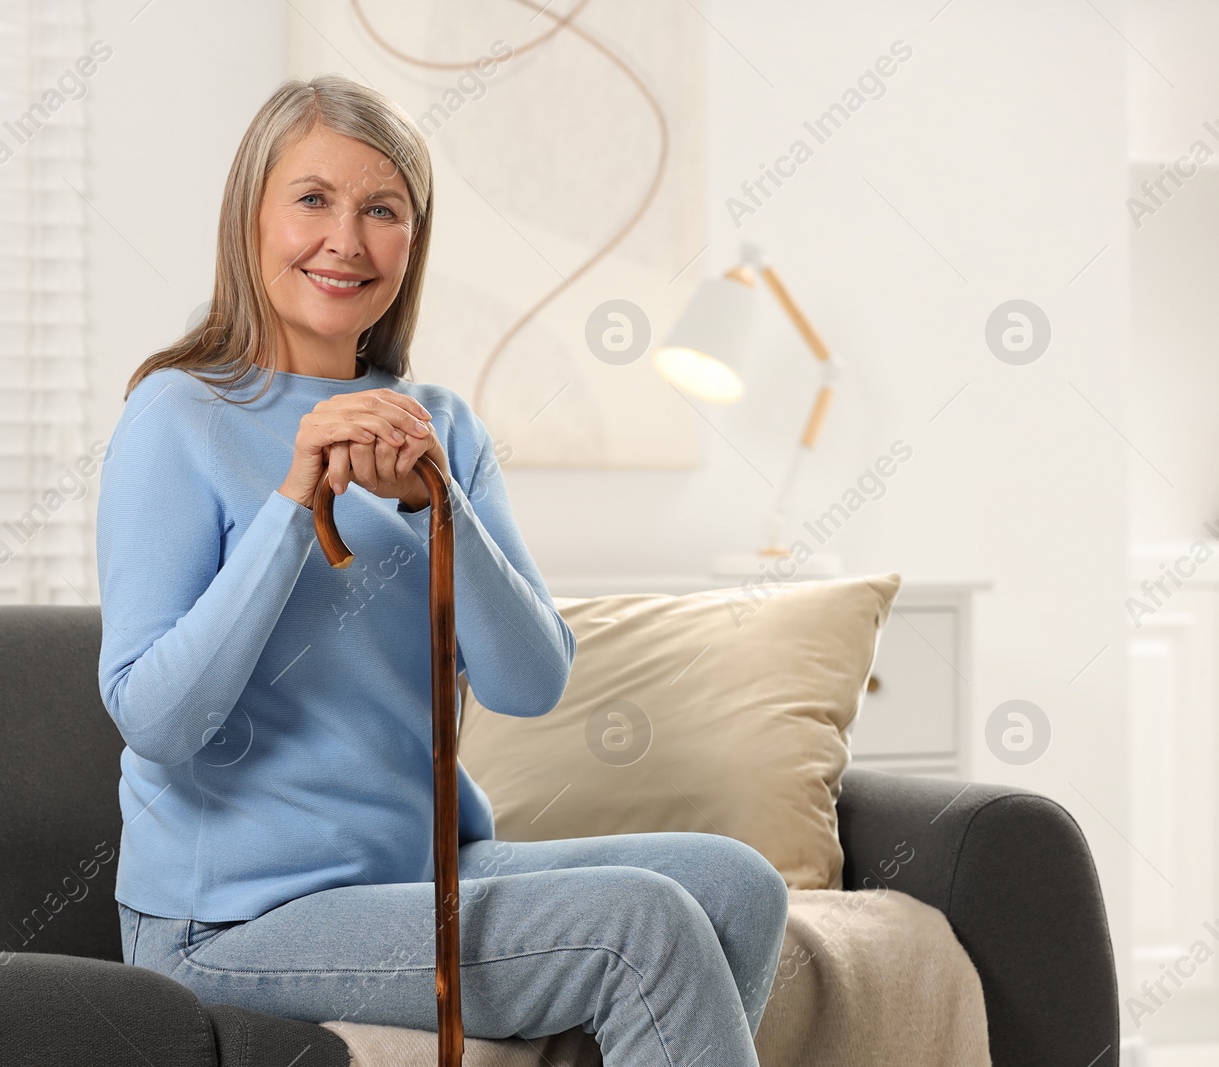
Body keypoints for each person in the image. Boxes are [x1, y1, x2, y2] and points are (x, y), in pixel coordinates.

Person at [98, 72, 788, 1066]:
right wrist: (299, 500)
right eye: (313, 199)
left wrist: (437, 505)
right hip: (227, 922)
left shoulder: (438, 427)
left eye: (383, 210)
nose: (346, 238)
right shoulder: (178, 416)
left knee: (736, 883)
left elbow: (530, 679)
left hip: (421, 875)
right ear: (249, 216)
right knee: (640, 926)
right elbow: (155, 720)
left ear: (410, 244)